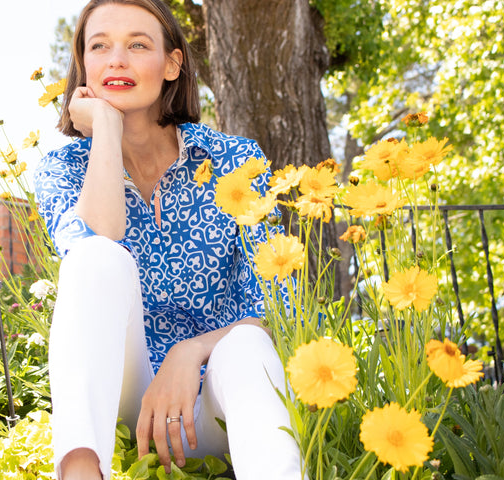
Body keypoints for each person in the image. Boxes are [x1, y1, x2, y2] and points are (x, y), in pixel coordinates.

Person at [33, 1, 304, 479]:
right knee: (94, 257)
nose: (116, 59)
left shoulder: (233, 159)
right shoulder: (63, 168)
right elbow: (100, 242)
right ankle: (79, 473)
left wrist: (192, 350)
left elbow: (275, 306)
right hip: (129, 405)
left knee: (244, 345)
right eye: (99, 46)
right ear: (84, 66)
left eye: (138, 44)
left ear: (172, 63)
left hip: (221, 404)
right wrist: (107, 131)